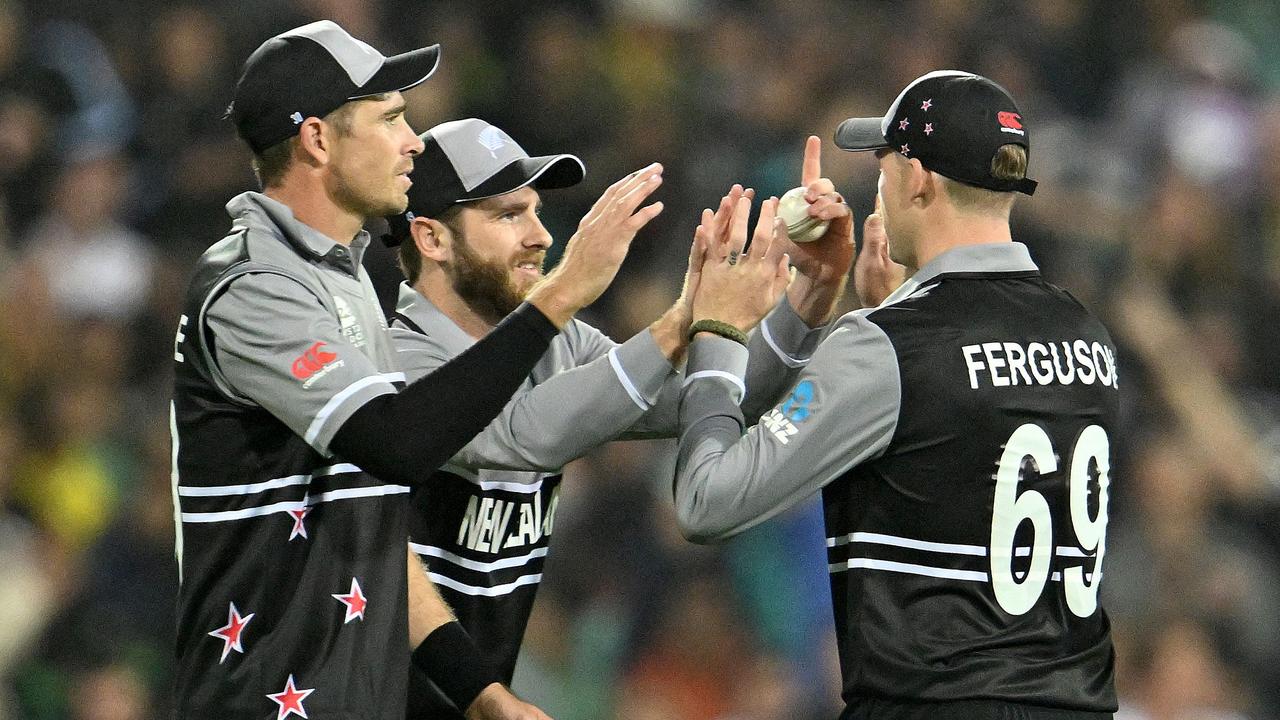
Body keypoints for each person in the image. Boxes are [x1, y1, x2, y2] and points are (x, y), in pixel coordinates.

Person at [170, 21, 662, 720]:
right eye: (392, 118)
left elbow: (374, 535)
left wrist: (481, 694)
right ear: (317, 139)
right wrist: (557, 298)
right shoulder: (254, 284)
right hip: (261, 700)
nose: (412, 142)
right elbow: (396, 444)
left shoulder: (344, 282)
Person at [672, 70, 1120, 719]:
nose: (876, 188)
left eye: (883, 165)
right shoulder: (1088, 336)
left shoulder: (888, 348)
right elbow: (959, 443)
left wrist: (717, 327)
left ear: (918, 179)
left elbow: (705, 502)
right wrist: (893, 307)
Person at [379, 118, 853, 719]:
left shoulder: (556, 343)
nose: (540, 237)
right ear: (431, 239)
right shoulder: (390, 361)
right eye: (506, 216)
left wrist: (809, 294)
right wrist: (676, 318)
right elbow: (521, 434)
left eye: (534, 211)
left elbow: (705, 398)